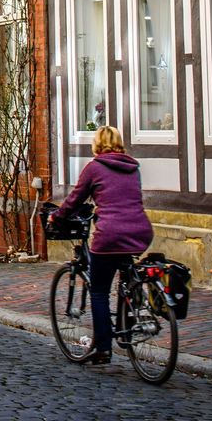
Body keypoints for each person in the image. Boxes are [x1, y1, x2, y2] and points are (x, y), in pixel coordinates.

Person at [51, 125, 154, 364]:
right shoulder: (133, 167)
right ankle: (130, 316)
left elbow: (75, 199)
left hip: (110, 235)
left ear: (97, 144)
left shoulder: (94, 167)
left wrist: (57, 216)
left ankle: (104, 348)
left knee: (99, 291)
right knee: (125, 271)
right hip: (140, 231)